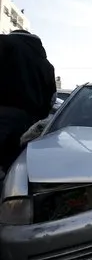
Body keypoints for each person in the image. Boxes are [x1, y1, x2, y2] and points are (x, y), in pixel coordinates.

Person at [0, 30, 56, 173]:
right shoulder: (46, 65)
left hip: (3, 113)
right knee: (14, 167)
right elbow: (51, 97)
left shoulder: (4, 43)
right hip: (29, 122)